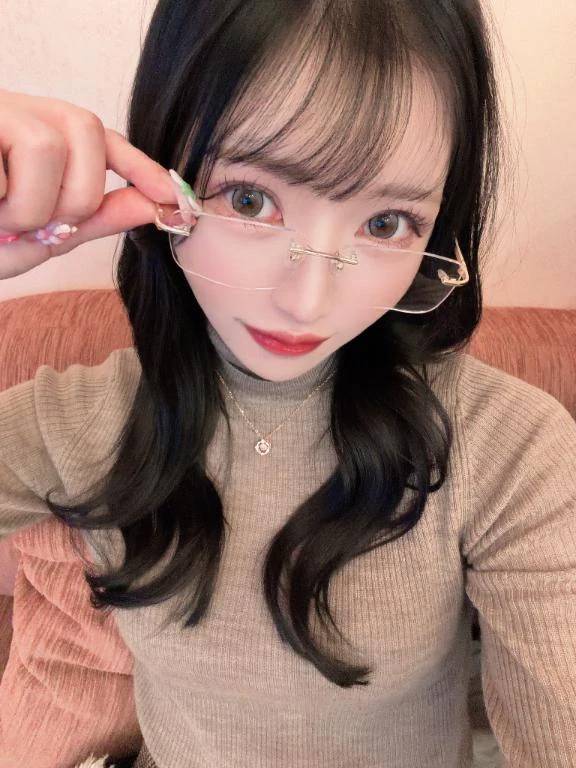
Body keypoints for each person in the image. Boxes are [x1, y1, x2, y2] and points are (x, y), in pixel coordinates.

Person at [0, 1, 575, 767]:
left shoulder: (509, 448)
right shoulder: (78, 418)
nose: (309, 304)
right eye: (250, 199)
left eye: (386, 224)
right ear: (161, 172)